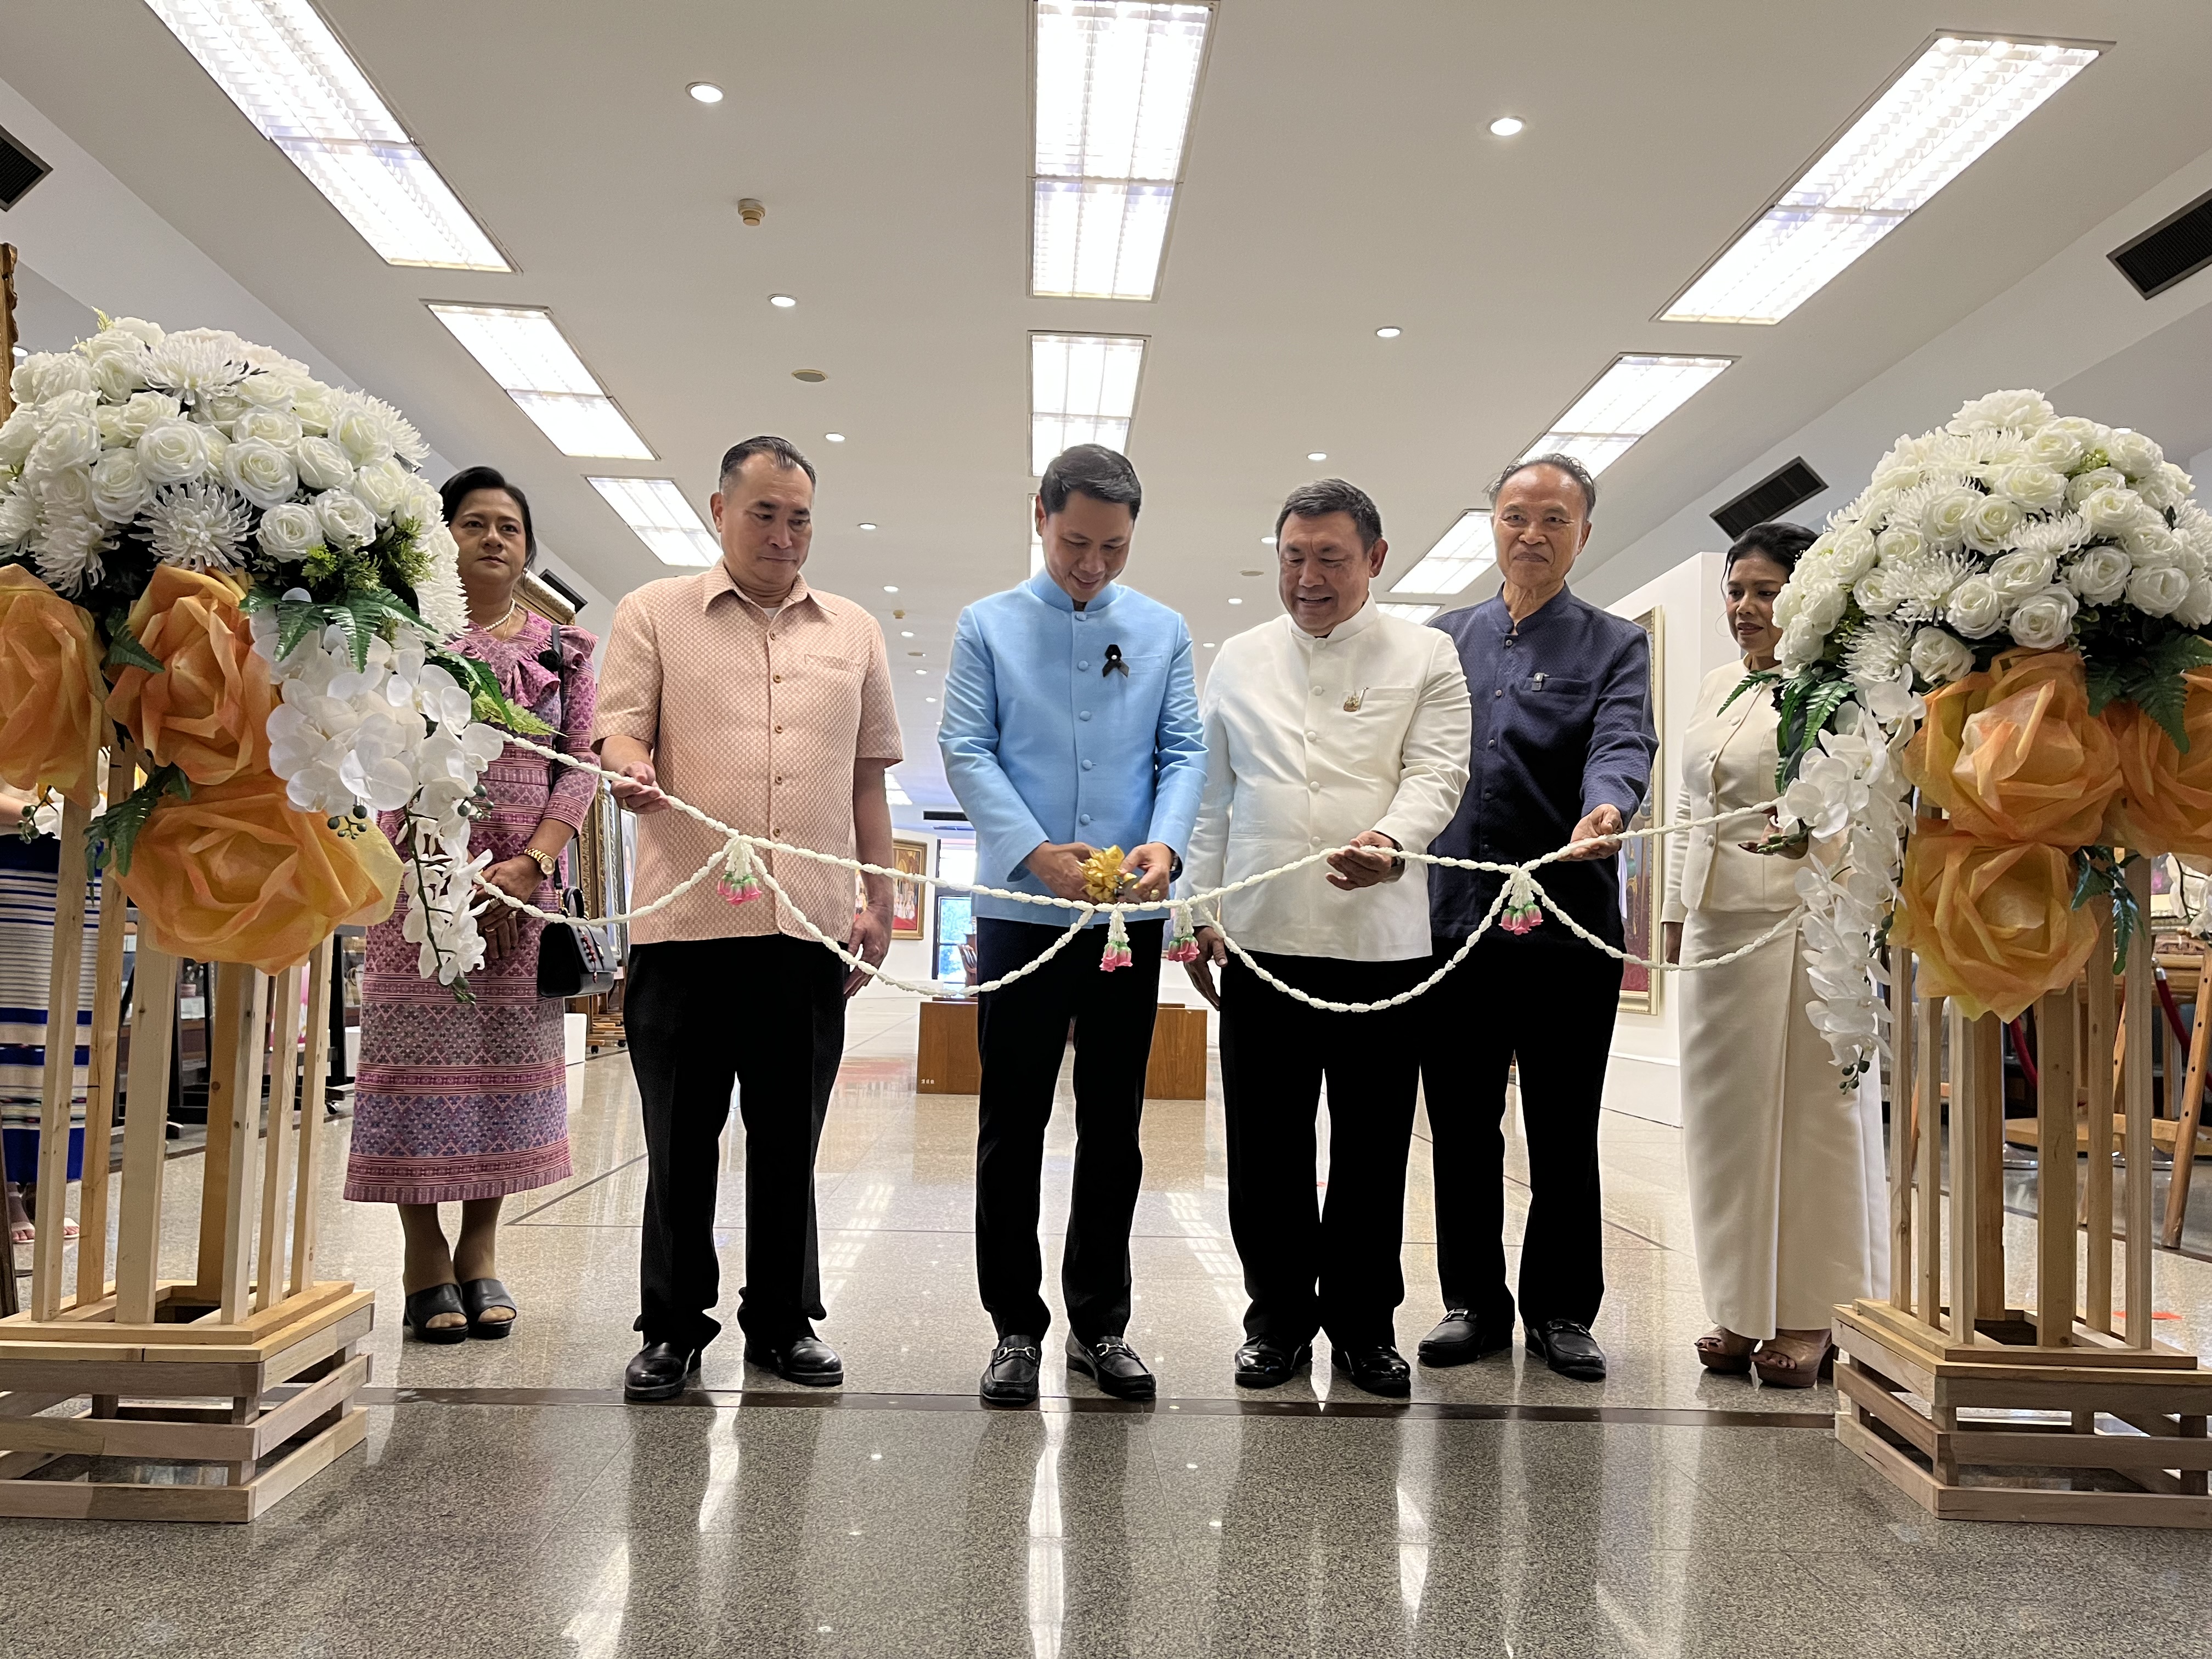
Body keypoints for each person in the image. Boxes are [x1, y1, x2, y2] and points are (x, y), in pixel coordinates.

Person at [597, 436, 901, 1401]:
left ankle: (782, 1319)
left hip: (804, 932)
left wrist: (879, 898)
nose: (783, 532)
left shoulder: (852, 630)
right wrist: (625, 763)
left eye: (800, 515)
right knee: (680, 1142)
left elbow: (867, 779)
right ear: (719, 511)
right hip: (684, 930)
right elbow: (619, 727)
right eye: (764, 512)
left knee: (789, 1142)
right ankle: (672, 1326)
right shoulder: (652, 611)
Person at [1182, 479, 1471, 1397]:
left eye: (1330, 558)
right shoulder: (1238, 656)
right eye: (1292, 558)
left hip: (1380, 941)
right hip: (1262, 936)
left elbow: (1437, 772)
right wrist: (1196, 911)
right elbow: (1212, 796)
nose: (1307, 578)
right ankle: (1273, 1320)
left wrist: (1394, 840)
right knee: (1264, 1148)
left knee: (1373, 1146)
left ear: (1375, 559)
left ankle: (1362, 1324)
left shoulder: (1426, 653)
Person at [939, 443, 1205, 1407]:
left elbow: (1184, 750)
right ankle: (1014, 1323)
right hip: (1020, 908)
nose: (1092, 563)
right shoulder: (988, 625)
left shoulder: (1163, 629)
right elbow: (964, 745)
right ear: (1039, 514)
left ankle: (1102, 1322)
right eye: (1076, 541)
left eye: (1115, 547)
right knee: (1011, 1119)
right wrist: (1031, 847)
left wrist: (1166, 847)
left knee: (1114, 1121)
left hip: (1126, 920)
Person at [343, 467, 597, 1341]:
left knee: (501, 1072)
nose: (494, 539)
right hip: (415, 886)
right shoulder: (402, 638)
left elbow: (579, 770)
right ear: (444, 537)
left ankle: (480, 1252)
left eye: (511, 529)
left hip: (522, 895)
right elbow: (368, 750)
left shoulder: (567, 651)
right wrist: (416, 862)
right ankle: (423, 1255)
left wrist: (534, 864)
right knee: (414, 1072)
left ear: (528, 551)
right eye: (475, 524)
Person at [1419, 454, 1657, 1382]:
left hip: (1569, 921)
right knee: (1462, 1122)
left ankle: (1561, 1308)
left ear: (1582, 533)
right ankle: (1471, 1300)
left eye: (1553, 519)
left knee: (1562, 1124)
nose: (1531, 532)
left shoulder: (1615, 644)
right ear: (1492, 523)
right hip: (1455, 921)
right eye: (1516, 515)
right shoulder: (1441, 640)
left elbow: (1621, 740)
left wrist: (1608, 808)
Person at [1664, 521, 1887, 1386]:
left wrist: (1820, 852)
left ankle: (1811, 1313)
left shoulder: (1837, 688)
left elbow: (1860, 804)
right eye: (1736, 591)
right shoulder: (1719, 684)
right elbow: (1693, 810)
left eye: (1766, 592)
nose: (1746, 609)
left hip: (1802, 926)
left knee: (1809, 1120)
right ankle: (1739, 1304)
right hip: (1720, 930)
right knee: (1728, 1126)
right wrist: (1677, 917)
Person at [1, 788, 97, 1252]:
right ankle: (9, 1189)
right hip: (12, 871)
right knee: (16, 1033)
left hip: (66, 869)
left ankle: (47, 1181)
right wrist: (62, 817)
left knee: (61, 1033)